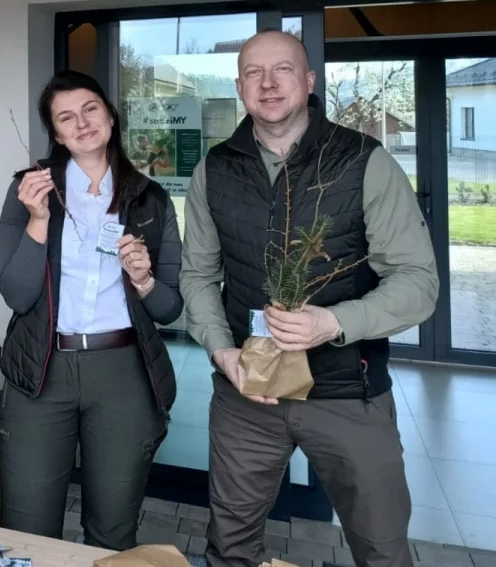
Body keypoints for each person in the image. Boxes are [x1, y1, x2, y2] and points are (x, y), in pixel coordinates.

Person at [179, 30, 439, 567]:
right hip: (247, 394)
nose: (268, 84)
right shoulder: (215, 169)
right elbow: (198, 276)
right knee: (229, 549)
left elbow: (418, 282)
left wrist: (334, 323)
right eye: (254, 73)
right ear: (239, 87)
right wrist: (222, 353)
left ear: (309, 80)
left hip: (347, 395)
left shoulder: (364, 161)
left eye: (283, 70)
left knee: (382, 550)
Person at [0, 70, 182, 550]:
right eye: (66, 118)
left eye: (90, 109)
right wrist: (39, 221)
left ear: (110, 116)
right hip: (42, 370)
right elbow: (17, 295)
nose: (81, 123)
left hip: (122, 373)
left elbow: (169, 308)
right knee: (28, 528)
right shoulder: (29, 192)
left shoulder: (151, 199)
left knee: (113, 530)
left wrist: (143, 281)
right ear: (56, 134)